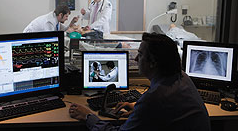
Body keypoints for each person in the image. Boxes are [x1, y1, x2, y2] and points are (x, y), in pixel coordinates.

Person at [69, 33, 211, 131]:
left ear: (153, 62)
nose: (136, 59)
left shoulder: (155, 98)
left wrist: (88, 116)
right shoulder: (182, 77)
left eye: (141, 54)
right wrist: (138, 111)